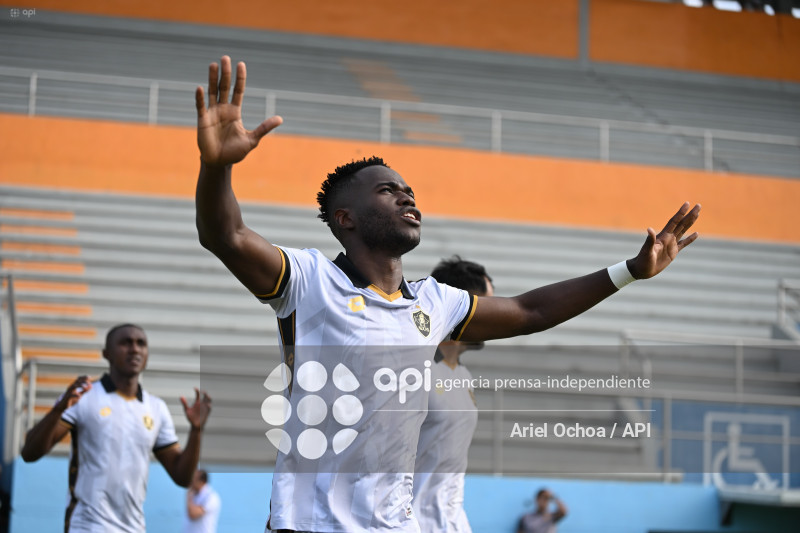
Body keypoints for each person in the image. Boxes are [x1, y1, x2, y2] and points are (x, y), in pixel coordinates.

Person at [194, 55, 700, 533]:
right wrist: (217, 167)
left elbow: (531, 310)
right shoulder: (307, 279)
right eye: (386, 190)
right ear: (344, 218)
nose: (406, 195)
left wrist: (630, 271)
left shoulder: (435, 303)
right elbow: (227, 236)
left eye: (408, 189)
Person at [21, 324, 212, 533]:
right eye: (125, 343)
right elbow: (30, 452)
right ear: (107, 354)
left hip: (134, 528)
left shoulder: (156, 408)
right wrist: (59, 409)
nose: (135, 349)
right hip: (86, 526)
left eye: (141, 343)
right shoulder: (83, 396)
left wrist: (196, 431)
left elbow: (182, 477)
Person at [413, 257, 494, 533]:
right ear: (462, 305)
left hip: (452, 521)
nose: (497, 314)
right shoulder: (413, 369)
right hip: (411, 522)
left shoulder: (463, 375)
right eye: (489, 305)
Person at [184, 469, 222, 533]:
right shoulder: (195, 494)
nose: (191, 483)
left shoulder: (211, 497)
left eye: (194, 480)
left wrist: (189, 495)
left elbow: (193, 514)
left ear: (202, 481)